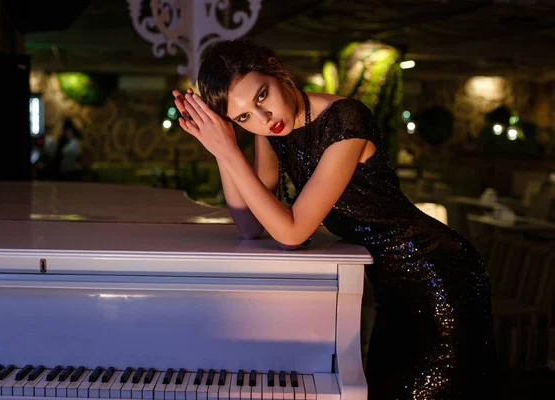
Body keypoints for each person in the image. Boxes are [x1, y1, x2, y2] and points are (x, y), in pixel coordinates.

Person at [172, 40, 500, 399]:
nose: (263, 119)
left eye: (262, 96)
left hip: (438, 274)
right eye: (243, 117)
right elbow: (250, 226)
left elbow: (293, 232)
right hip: (389, 290)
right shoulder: (271, 133)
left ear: (275, 67)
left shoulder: (346, 121)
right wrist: (223, 149)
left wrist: (229, 151)